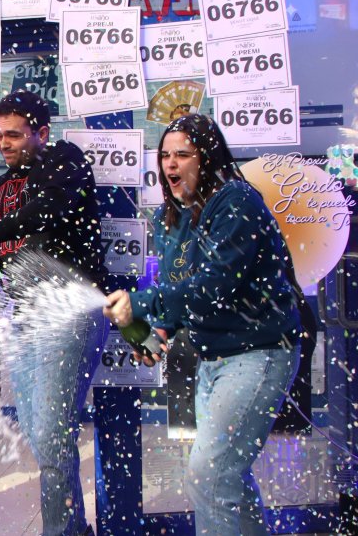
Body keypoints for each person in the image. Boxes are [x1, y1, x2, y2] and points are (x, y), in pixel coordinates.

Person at [103, 114, 303, 536]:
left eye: (183, 154)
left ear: (207, 158)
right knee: (224, 479)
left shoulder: (236, 202)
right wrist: (159, 329)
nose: (171, 164)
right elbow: (179, 285)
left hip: (259, 352)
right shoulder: (171, 217)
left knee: (209, 475)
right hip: (213, 357)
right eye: (165, 156)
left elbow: (215, 285)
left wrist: (139, 303)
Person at [0, 90, 107, 536]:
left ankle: (63, 532)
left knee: (53, 439)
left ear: (41, 132)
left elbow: (46, 211)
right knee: (43, 439)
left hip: (66, 308)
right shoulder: (2, 187)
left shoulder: (63, 160)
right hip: (23, 316)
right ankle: (73, 530)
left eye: (14, 135)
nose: (4, 143)